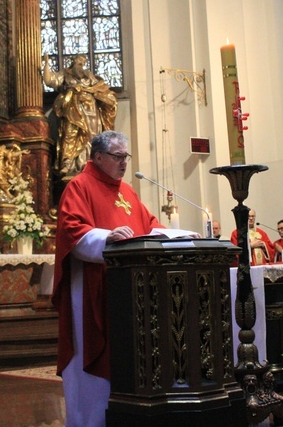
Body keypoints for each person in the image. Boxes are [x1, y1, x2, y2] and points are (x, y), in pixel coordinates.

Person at [52, 130, 164, 426]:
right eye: (118, 157)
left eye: (126, 156)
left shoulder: (127, 191)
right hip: (91, 290)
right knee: (92, 366)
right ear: (98, 157)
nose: (124, 163)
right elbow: (71, 231)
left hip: (128, 291)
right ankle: (89, 421)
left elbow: (149, 225)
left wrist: (173, 236)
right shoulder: (79, 186)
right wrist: (106, 239)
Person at [42, 54, 118, 179]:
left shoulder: (88, 76)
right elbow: (49, 80)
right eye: (79, 60)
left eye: (83, 62)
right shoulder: (65, 74)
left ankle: (91, 164)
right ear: (73, 61)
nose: (81, 64)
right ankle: (69, 163)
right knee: (70, 134)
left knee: (91, 137)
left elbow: (101, 88)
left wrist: (104, 96)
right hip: (72, 109)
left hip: (91, 111)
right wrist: (46, 64)